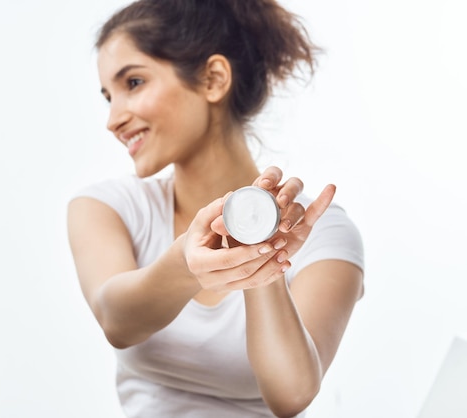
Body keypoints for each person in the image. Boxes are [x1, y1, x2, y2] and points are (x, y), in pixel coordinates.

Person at [67, 0, 364, 417]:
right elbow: (118, 321)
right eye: (107, 96)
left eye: (133, 83)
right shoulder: (106, 208)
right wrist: (187, 263)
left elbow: (291, 396)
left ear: (213, 79)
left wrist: (263, 251)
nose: (113, 119)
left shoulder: (325, 231)